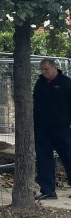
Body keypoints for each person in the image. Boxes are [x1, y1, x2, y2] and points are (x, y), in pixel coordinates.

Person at [33, 57, 71, 200]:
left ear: (55, 68)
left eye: (46, 69)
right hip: (42, 129)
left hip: (62, 128)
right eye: (42, 70)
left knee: (68, 157)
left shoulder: (66, 83)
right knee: (44, 159)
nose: (44, 72)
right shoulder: (40, 83)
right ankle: (48, 191)